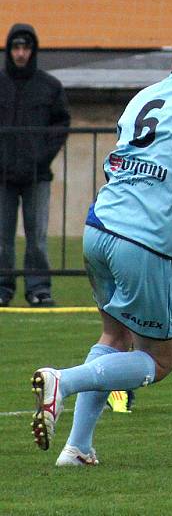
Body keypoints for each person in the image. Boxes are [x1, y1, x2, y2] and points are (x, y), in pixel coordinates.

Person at [29, 22, 172, 466]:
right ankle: (62, 380)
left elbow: (126, 163)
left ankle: (77, 448)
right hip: (143, 243)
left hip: (100, 226)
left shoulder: (143, 95)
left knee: (114, 334)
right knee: (158, 360)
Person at [0, 24, 70, 307]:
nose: (20, 53)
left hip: (37, 175)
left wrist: (41, 156)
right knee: (2, 238)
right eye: (15, 48)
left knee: (37, 237)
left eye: (25, 48)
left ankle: (38, 289)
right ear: (9, 50)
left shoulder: (50, 87)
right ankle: (3, 289)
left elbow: (61, 123)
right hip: (1, 176)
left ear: (33, 50)